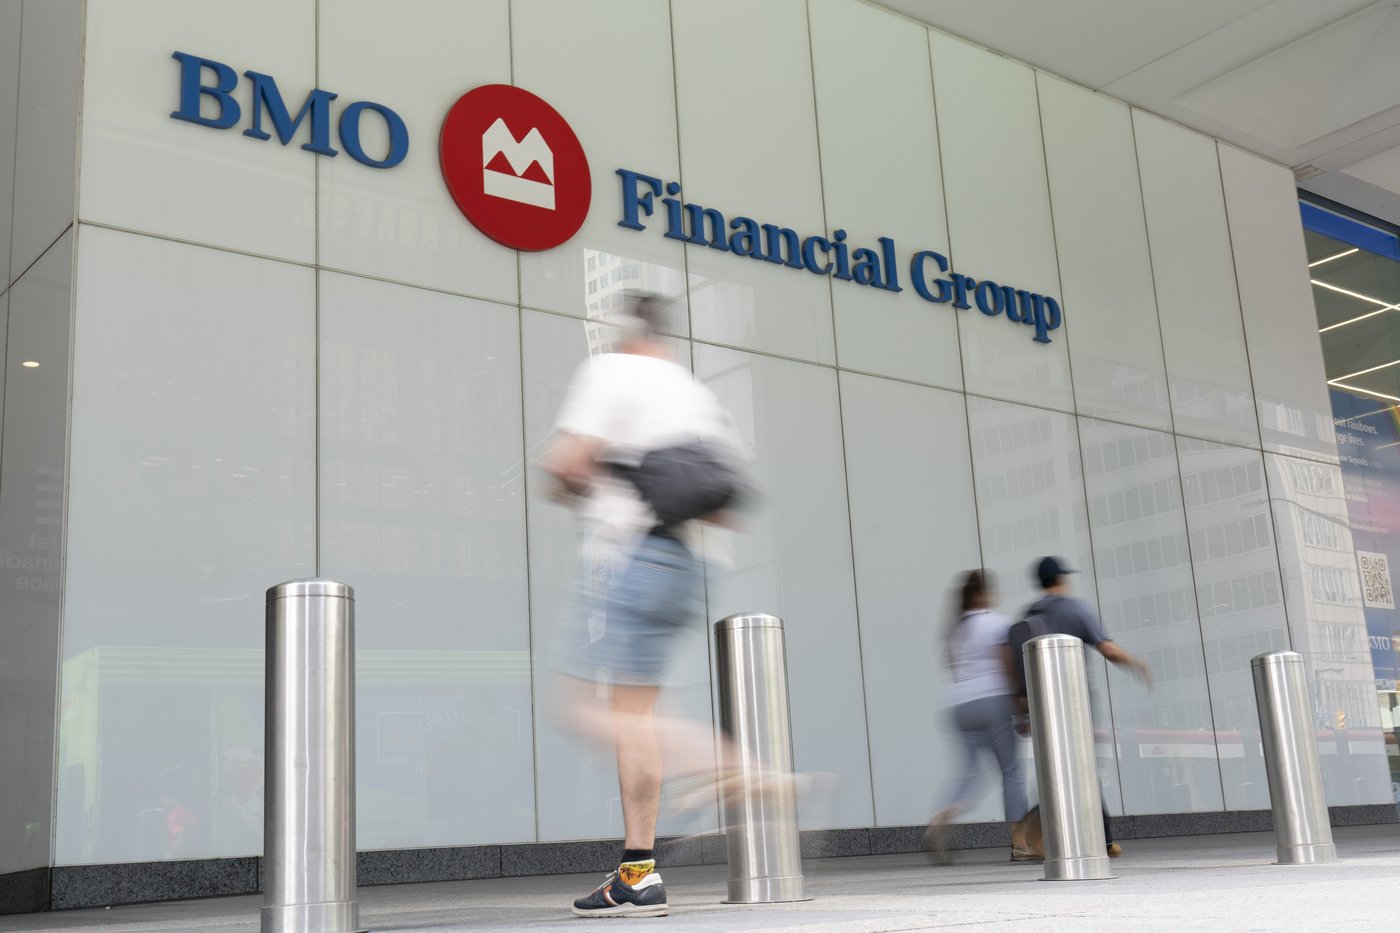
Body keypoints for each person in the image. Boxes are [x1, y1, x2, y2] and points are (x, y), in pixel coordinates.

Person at [539, 292, 742, 919]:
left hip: (631, 561)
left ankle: (738, 767)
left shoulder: (611, 370)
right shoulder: (692, 392)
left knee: (579, 709)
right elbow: (721, 503)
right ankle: (638, 873)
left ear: (627, 330)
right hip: (685, 565)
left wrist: (578, 483)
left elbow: (563, 464)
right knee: (634, 718)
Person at [1005, 556, 1151, 858]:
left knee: (1053, 768)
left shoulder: (1028, 615)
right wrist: (1135, 664)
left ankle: (1041, 838)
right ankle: (1104, 839)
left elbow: (1015, 666)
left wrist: (1022, 710)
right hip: (1071, 701)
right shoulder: (1074, 608)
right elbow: (1107, 648)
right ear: (1060, 579)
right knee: (1081, 766)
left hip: (1038, 704)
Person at [926, 570, 1033, 863]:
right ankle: (1021, 842)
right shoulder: (997, 624)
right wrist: (1021, 706)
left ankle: (943, 814)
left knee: (968, 773)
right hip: (994, 701)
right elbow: (1008, 665)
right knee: (1011, 772)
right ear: (983, 595)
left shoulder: (955, 630)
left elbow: (951, 665)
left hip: (959, 706)